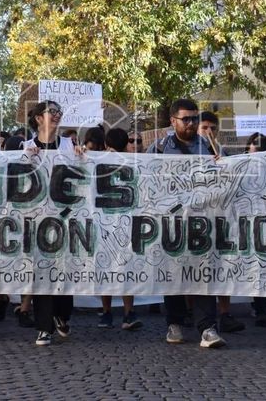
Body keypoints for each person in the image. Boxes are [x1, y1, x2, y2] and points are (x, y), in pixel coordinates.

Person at [148, 99, 225, 349]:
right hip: (170, 223)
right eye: (186, 119)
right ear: (173, 121)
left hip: (202, 223)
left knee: (204, 274)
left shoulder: (209, 147)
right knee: (173, 275)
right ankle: (175, 322)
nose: (191, 124)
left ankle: (207, 328)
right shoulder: (158, 149)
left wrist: (222, 165)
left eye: (194, 119)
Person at [23, 101, 83, 346]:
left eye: (60, 112)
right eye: (52, 112)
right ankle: (43, 327)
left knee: (64, 269)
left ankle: (61, 314)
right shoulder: (25, 146)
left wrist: (82, 158)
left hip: (66, 218)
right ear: (39, 118)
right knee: (41, 272)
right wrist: (27, 161)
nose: (57, 116)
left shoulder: (70, 145)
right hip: (37, 220)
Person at [196, 111, 247, 333]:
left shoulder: (224, 154)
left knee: (222, 268)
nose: (209, 132)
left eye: (212, 128)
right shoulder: (191, 153)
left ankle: (225, 313)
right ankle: (197, 314)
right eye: (204, 128)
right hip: (198, 218)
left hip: (221, 218)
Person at [96, 127, 142, 331]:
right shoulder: (100, 159)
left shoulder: (99, 160)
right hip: (120, 221)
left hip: (109, 221)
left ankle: (108, 312)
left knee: (112, 268)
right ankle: (126, 312)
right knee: (122, 268)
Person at [243, 132, 266, 327]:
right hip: (247, 222)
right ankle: (259, 305)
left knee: (265, 265)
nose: (253, 146)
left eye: (257, 144)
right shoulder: (241, 164)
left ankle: (261, 304)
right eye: (252, 143)